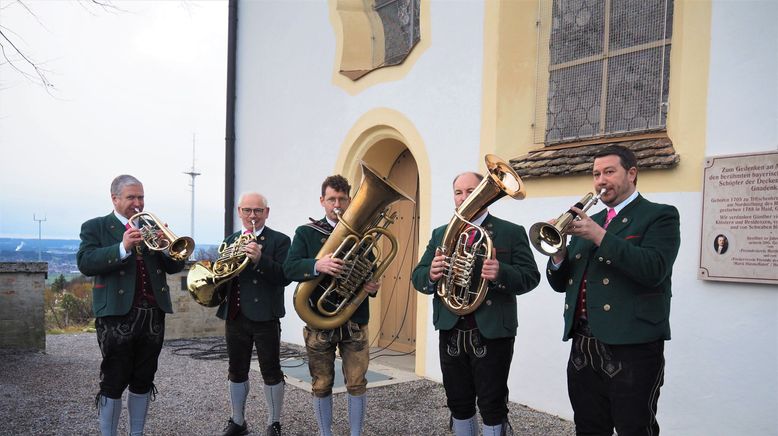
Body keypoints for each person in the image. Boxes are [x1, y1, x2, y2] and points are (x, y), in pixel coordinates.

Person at [544, 145, 680, 435]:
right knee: (589, 426)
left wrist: (599, 235)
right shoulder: (586, 225)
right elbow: (559, 284)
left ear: (631, 174)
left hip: (632, 347)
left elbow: (654, 269)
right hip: (583, 346)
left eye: (609, 172)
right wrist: (558, 254)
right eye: (596, 174)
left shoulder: (659, 216)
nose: (600, 180)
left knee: (635, 427)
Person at [411, 171, 540, 436]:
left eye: (471, 191)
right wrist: (431, 274)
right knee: (458, 401)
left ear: (484, 195)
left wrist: (500, 273)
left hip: (492, 332)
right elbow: (417, 278)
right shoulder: (440, 234)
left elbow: (531, 278)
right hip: (451, 329)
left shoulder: (510, 232)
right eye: (458, 192)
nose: (464, 197)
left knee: (492, 402)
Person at [77, 174, 186, 436]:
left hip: (153, 314)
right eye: (131, 197)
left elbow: (175, 265)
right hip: (116, 314)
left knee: (144, 378)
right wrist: (122, 246)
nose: (138, 203)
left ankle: (136, 433)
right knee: (114, 379)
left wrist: (166, 246)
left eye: (141, 197)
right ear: (115, 199)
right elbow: (86, 262)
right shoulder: (96, 227)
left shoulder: (150, 226)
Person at [283, 175, 380, 436]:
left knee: (357, 382)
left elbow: (369, 270)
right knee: (322, 382)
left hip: (354, 317)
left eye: (341, 199)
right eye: (331, 199)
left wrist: (371, 286)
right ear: (322, 201)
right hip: (318, 317)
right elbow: (289, 268)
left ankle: (356, 433)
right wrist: (317, 265)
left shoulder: (362, 232)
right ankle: (326, 433)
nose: (337, 204)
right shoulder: (306, 233)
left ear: (349, 200)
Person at [217, 192, 291, 436]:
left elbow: (284, 276)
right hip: (236, 314)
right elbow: (224, 276)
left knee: (271, 370)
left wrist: (260, 259)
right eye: (247, 210)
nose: (252, 215)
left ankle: (274, 422)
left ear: (266, 213)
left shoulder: (280, 241)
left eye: (257, 211)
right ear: (239, 211)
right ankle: (238, 421)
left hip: (266, 315)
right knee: (236, 369)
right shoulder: (230, 240)